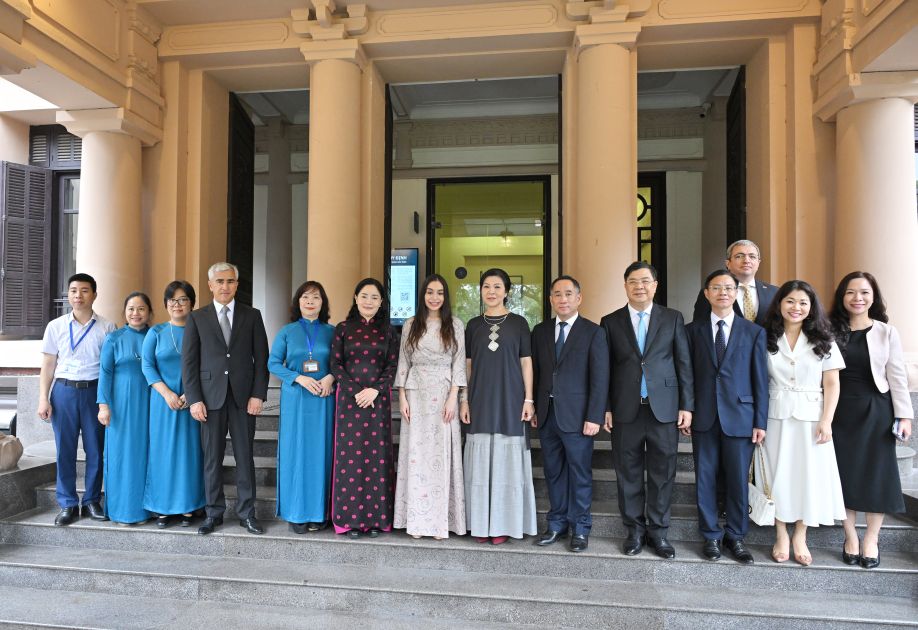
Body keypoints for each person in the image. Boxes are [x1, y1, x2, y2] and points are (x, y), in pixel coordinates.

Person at [601, 261, 693, 559]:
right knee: (627, 472)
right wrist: (605, 407)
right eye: (633, 281)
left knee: (662, 473)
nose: (639, 286)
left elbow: (683, 364)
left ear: (655, 285)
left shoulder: (673, 318)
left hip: (663, 409)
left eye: (645, 281)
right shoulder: (610, 321)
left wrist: (686, 405)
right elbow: (605, 369)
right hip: (625, 408)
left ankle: (659, 533)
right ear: (625, 286)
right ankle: (634, 531)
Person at [829, 271, 913, 569]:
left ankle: (872, 539)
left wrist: (904, 415)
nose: (858, 298)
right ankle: (850, 536)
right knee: (843, 474)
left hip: (876, 410)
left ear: (873, 297)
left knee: (877, 475)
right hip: (838, 411)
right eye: (851, 292)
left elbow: (897, 375)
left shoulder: (886, 332)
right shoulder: (829, 331)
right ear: (842, 297)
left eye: (864, 292)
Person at [685, 269, 768, 564]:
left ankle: (736, 535)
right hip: (704, 416)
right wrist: (687, 409)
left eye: (729, 288)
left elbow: (760, 380)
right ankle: (710, 535)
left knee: (737, 479)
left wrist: (760, 421)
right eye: (716, 288)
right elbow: (687, 375)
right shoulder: (692, 331)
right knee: (705, 478)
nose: (723, 292)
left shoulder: (753, 332)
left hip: (741, 416)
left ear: (736, 293)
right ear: (707, 293)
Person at [182, 262, 269, 536]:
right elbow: (189, 363)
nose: (225, 286)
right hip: (209, 400)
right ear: (210, 285)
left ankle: (247, 513)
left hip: (244, 399)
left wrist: (258, 394)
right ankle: (213, 513)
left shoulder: (252, 315)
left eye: (230, 281)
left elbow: (261, 359)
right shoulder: (197, 318)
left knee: (245, 457)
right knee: (212, 459)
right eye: (219, 281)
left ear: (237, 284)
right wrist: (194, 399)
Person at [763, 280, 846, 566]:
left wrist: (827, 420)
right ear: (779, 304)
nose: (796, 307)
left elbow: (832, 383)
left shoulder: (824, 339)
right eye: (790, 301)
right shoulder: (765, 336)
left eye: (803, 303)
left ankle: (800, 533)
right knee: (777, 474)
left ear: (811, 307)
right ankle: (780, 533)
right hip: (775, 415)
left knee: (807, 475)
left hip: (812, 418)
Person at [530, 275, 609, 552]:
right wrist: (535, 406)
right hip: (547, 414)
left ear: (578, 298)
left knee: (579, 473)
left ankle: (581, 528)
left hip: (578, 417)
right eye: (557, 294)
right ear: (550, 299)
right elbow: (537, 372)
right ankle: (556, 524)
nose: (562, 299)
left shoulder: (593, 332)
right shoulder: (540, 331)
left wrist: (594, 416)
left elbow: (600, 378)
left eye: (568, 294)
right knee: (553, 471)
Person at [460, 268, 538, 545]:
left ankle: (505, 524)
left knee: (508, 465)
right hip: (479, 399)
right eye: (486, 286)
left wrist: (529, 399)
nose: (491, 291)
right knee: (479, 465)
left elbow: (526, 362)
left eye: (497, 286)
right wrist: (464, 399)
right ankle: (480, 524)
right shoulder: (472, 325)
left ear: (506, 291)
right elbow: (467, 366)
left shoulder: (519, 323)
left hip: (511, 399)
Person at [38, 273, 117, 526]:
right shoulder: (56, 326)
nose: (78, 295)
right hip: (64, 391)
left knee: (95, 449)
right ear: (68, 295)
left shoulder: (107, 327)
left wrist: (106, 401)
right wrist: (43, 398)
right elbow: (48, 364)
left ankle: (92, 500)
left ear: (94, 294)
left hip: (94, 392)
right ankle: (67, 503)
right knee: (65, 450)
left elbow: (109, 368)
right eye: (73, 290)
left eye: (84, 290)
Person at [394, 274, 467, 540]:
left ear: (445, 297)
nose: (434, 297)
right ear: (422, 295)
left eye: (440, 293)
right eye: (429, 292)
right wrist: (402, 396)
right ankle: (417, 521)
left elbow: (459, 362)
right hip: (416, 393)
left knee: (441, 454)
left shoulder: (455, 325)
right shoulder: (410, 324)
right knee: (416, 455)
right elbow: (404, 361)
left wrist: (454, 396)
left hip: (444, 393)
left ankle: (439, 522)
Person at [329, 278, 400, 539]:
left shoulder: (388, 331)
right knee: (349, 459)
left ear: (381, 302)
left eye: (374, 297)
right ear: (356, 298)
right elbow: (336, 364)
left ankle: (376, 520)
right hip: (349, 402)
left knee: (377, 458)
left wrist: (375, 390)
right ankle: (349, 521)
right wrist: (356, 390)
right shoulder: (343, 329)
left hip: (378, 402)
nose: (369, 301)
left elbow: (392, 365)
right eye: (364, 296)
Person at [268, 281, 336, 534]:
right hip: (296, 399)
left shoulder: (332, 332)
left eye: (316, 297)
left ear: (322, 302)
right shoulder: (287, 331)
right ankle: (296, 512)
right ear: (298, 301)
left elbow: (342, 362)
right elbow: (273, 363)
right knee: (295, 453)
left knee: (321, 453)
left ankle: (320, 513)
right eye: (305, 296)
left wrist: (330, 378)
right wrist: (298, 378)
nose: (310, 301)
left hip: (323, 399)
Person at [141, 280, 205, 528]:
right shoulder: (156, 333)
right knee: (162, 451)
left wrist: (192, 393)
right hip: (162, 403)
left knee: (189, 453)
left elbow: (207, 364)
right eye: (172, 300)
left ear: (192, 303)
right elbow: (147, 365)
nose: (177, 304)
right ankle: (162, 506)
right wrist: (166, 393)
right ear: (166, 304)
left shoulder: (201, 331)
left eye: (183, 300)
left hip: (193, 402)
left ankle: (189, 505)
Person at [97, 292, 153, 525]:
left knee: (147, 454)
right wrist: (103, 405)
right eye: (131, 309)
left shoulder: (156, 335)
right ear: (124, 312)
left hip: (151, 403)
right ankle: (124, 511)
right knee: (123, 455)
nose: (135, 313)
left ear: (149, 312)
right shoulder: (114, 338)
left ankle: (149, 509)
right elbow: (105, 373)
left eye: (141, 308)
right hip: (121, 405)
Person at [693, 240, 778, 327]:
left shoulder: (774, 292)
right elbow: (699, 328)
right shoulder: (712, 291)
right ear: (728, 263)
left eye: (752, 256)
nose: (746, 260)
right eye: (739, 256)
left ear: (758, 263)